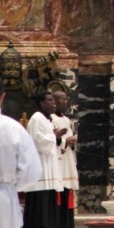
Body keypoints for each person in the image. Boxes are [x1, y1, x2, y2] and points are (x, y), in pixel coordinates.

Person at [0, 77, 42, 228]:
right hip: (4, 199)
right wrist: (10, 186)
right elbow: (32, 171)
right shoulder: (14, 129)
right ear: (2, 97)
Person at [23, 90, 64, 228]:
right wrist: (55, 136)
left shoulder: (47, 119)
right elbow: (37, 141)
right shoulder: (36, 118)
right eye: (50, 100)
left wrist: (57, 138)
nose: (54, 103)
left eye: (54, 100)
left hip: (49, 168)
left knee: (49, 206)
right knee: (40, 208)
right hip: (41, 171)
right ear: (41, 103)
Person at [50, 91, 78, 228]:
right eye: (61, 99)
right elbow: (51, 142)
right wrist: (65, 142)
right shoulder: (50, 119)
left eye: (66, 99)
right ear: (53, 101)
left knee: (68, 192)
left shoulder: (67, 120)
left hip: (68, 161)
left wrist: (71, 143)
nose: (65, 102)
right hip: (58, 163)